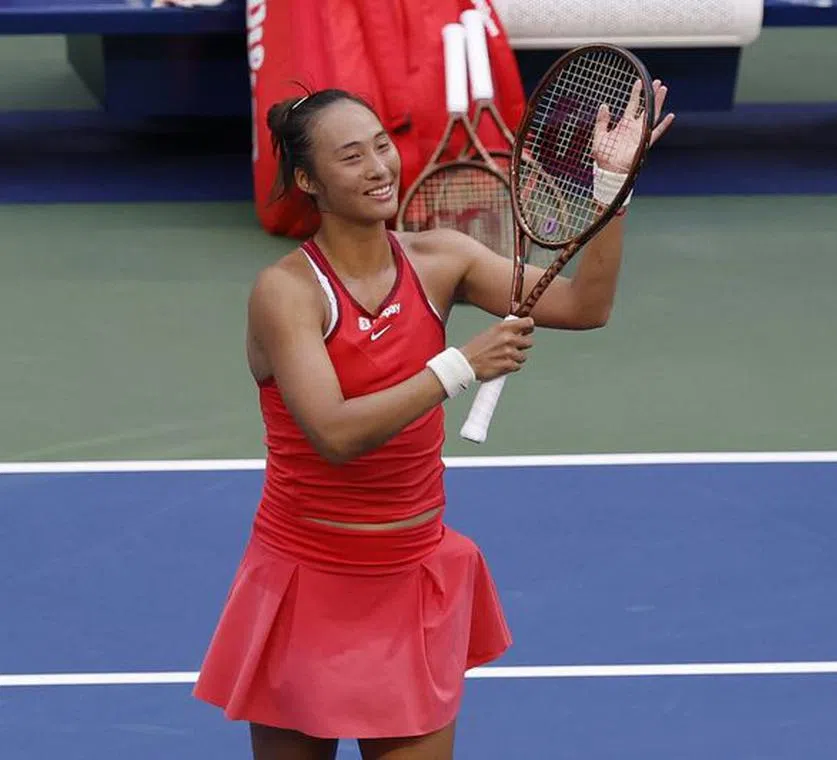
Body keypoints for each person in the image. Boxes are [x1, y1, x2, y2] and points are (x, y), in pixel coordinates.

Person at [192, 82, 674, 760]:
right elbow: (334, 434)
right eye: (351, 157)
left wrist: (611, 190)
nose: (379, 168)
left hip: (409, 575)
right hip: (308, 579)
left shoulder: (442, 260)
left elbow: (586, 305)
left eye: (382, 147)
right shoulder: (288, 293)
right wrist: (458, 366)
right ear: (309, 180)